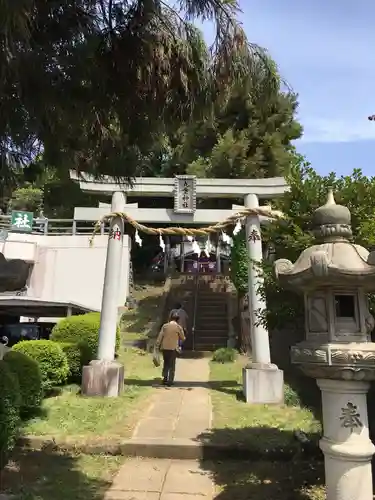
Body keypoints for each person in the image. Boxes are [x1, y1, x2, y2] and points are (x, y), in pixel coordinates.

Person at [156, 311, 185, 386]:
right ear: (178, 319)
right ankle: (170, 381)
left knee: (166, 363)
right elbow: (183, 338)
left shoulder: (165, 326)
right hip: (173, 348)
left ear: (170, 318)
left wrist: (157, 346)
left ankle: (165, 379)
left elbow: (160, 337)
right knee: (172, 365)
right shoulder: (178, 327)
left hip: (164, 347)